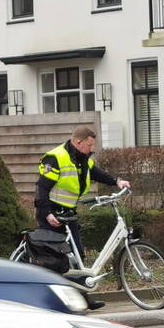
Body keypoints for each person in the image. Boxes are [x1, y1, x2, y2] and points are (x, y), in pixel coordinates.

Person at [35, 125, 130, 309]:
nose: (91, 149)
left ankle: (82, 298)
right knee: (54, 258)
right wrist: (47, 214)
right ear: (78, 142)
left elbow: (96, 173)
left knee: (78, 255)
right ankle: (50, 299)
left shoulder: (83, 158)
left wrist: (117, 181)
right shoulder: (55, 158)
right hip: (52, 212)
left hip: (68, 212)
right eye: (89, 145)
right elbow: (42, 189)